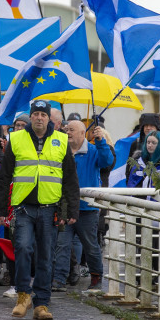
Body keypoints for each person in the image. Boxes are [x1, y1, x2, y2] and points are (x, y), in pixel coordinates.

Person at [0, 99, 79, 320]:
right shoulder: (16, 139)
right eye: (36, 114)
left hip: (49, 208)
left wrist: (72, 210)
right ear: (30, 116)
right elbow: (4, 176)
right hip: (23, 206)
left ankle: (41, 303)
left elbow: (70, 178)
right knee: (22, 248)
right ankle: (23, 295)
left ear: (48, 118)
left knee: (45, 255)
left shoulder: (61, 140)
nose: (39, 118)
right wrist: (0, 208)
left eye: (43, 114)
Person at [52, 120, 112, 292]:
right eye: (66, 129)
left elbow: (106, 162)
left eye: (72, 130)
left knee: (90, 244)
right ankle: (59, 279)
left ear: (82, 133)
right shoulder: (61, 150)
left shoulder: (93, 150)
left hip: (87, 208)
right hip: (64, 206)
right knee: (62, 244)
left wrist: (101, 141)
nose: (68, 132)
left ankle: (96, 277)